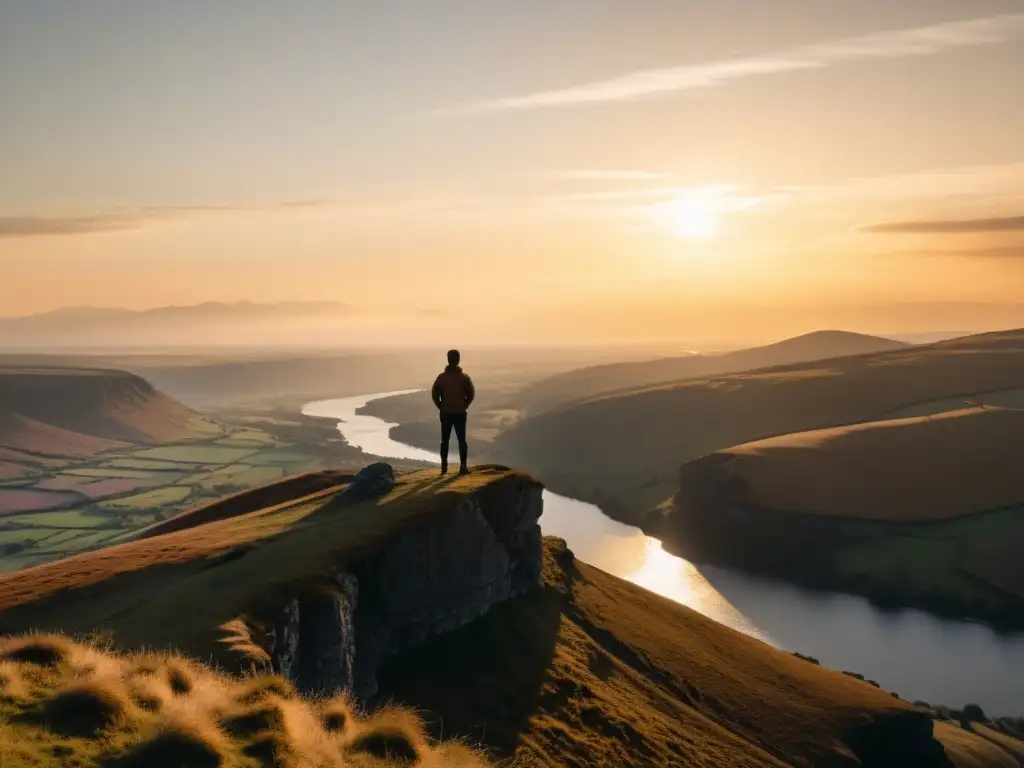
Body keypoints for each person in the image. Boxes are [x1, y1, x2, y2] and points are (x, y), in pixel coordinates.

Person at [431, 349, 475, 475]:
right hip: (460, 413)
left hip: (446, 413)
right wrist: (464, 405)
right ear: (458, 359)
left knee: (445, 441)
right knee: (462, 441)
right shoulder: (464, 378)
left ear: (448, 359)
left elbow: (435, 394)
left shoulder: (442, 378)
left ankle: (444, 467)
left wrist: (441, 406)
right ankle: (463, 466)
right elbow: (471, 394)